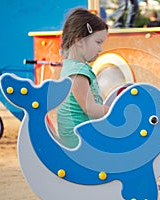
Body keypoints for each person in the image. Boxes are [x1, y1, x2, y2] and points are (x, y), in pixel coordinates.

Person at [57, 8, 110, 148]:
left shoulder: (73, 67)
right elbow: (91, 109)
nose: (100, 49)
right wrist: (116, 112)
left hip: (81, 136)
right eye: (98, 42)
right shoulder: (77, 72)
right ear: (79, 41)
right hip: (79, 141)